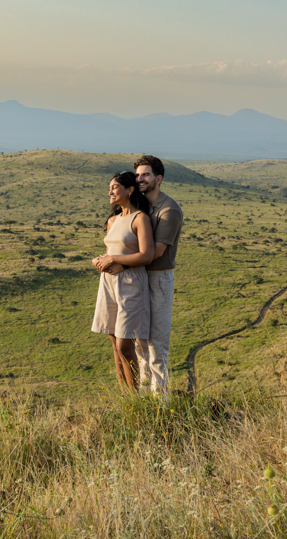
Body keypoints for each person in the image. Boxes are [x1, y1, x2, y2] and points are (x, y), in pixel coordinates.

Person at [96, 155, 182, 394]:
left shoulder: (168, 210)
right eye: (138, 174)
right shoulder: (141, 207)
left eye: (146, 174)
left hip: (157, 277)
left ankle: (160, 402)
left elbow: (154, 252)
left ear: (159, 178)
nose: (140, 178)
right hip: (136, 277)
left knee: (156, 344)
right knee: (140, 343)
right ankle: (143, 396)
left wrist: (119, 263)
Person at [90, 171, 155, 392]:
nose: (110, 191)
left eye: (115, 187)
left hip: (131, 284)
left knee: (125, 344)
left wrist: (116, 259)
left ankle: (138, 396)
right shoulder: (112, 220)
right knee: (114, 344)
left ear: (130, 190)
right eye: (110, 187)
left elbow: (146, 255)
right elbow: (111, 250)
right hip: (108, 282)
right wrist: (100, 260)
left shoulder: (140, 219)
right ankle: (126, 397)